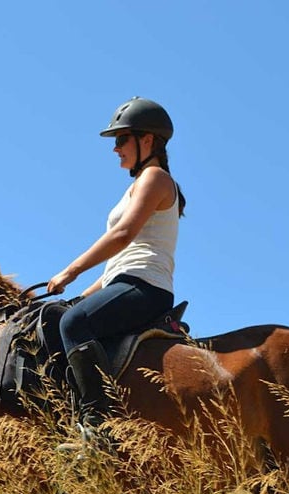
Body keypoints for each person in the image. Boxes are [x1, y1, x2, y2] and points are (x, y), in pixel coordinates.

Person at [47, 97, 187, 452]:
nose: (115, 148)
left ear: (148, 140)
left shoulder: (155, 177)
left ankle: (99, 430)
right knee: (64, 316)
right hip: (126, 281)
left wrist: (71, 271)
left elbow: (122, 236)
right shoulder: (137, 184)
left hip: (147, 286)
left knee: (74, 325)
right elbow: (115, 268)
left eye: (122, 139)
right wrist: (78, 298)